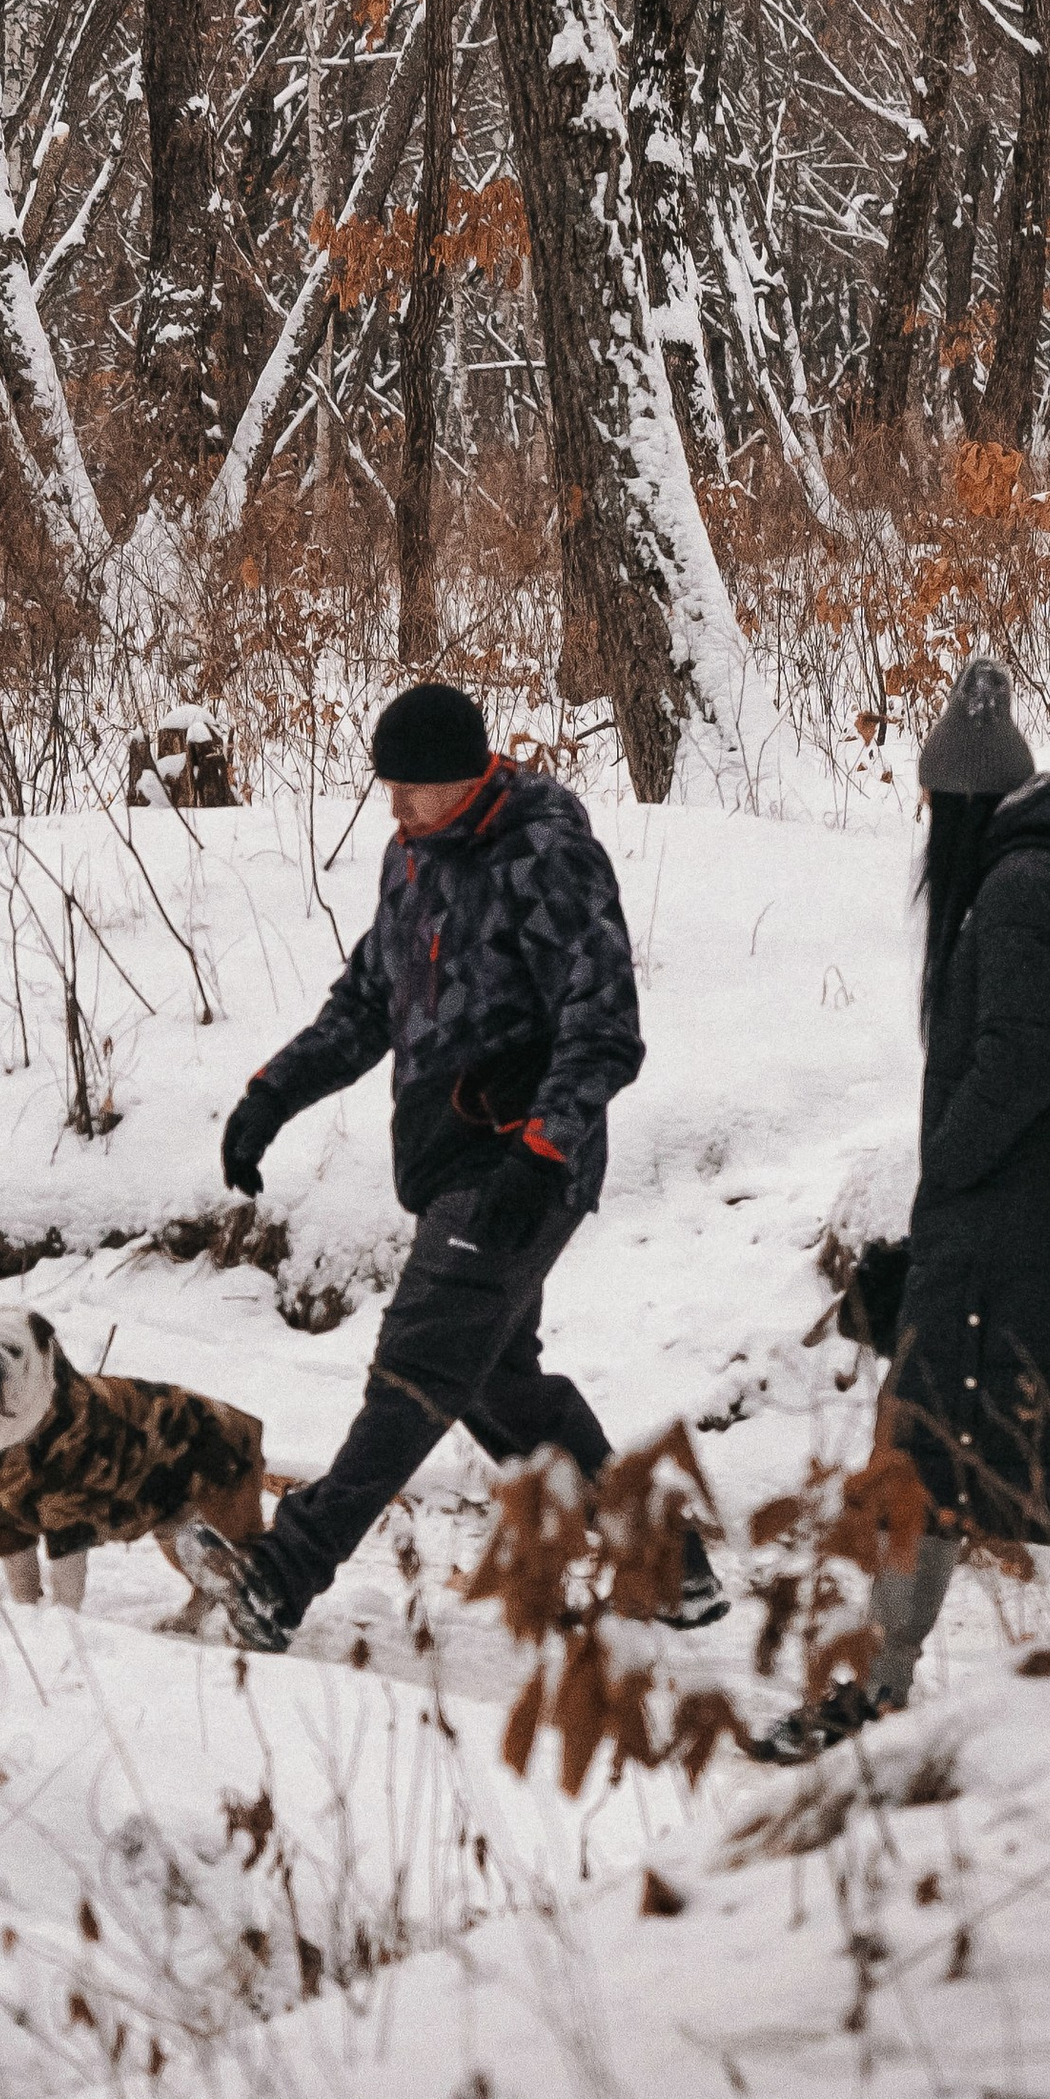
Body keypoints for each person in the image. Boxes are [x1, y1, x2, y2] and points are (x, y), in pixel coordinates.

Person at [184, 681, 727, 1652]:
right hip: (450, 1163)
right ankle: (665, 1565)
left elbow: (604, 1025)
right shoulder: (412, 862)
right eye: (388, 786)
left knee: (415, 1367)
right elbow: (362, 1005)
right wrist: (268, 1096)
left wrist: (543, 1148)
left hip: (519, 1163)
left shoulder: (546, 854)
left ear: (465, 775)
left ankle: (282, 1572)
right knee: (499, 1386)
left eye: (409, 788)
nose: (392, 805)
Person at [754, 657, 1050, 1760]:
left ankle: (875, 1690)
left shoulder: (1015, 891)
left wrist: (938, 1181)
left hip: (1013, 1247)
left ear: (955, 808)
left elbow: (1013, 1069)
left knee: (918, 1456)